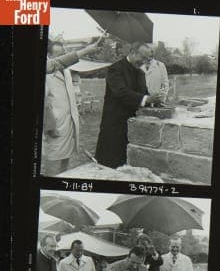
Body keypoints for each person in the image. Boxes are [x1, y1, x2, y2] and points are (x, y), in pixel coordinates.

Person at [95, 41, 164, 169]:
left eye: (147, 59)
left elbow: (144, 94)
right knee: (110, 163)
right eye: (142, 58)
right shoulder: (115, 68)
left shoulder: (141, 73)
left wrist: (155, 102)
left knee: (130, 164)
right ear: (132, 53)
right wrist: (147, 98)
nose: (144, 62)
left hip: (133, 125)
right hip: (115, 124)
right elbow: (121, 92)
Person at [42, 40, 81, 176]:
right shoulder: (45, 72)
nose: (61, 58)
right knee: (53, 163)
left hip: (68, 123)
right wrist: (49, 126)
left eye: (63, 54)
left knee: (65, 162)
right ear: (49, 55)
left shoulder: (66, 70)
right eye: (57, 55)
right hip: (55, 125)